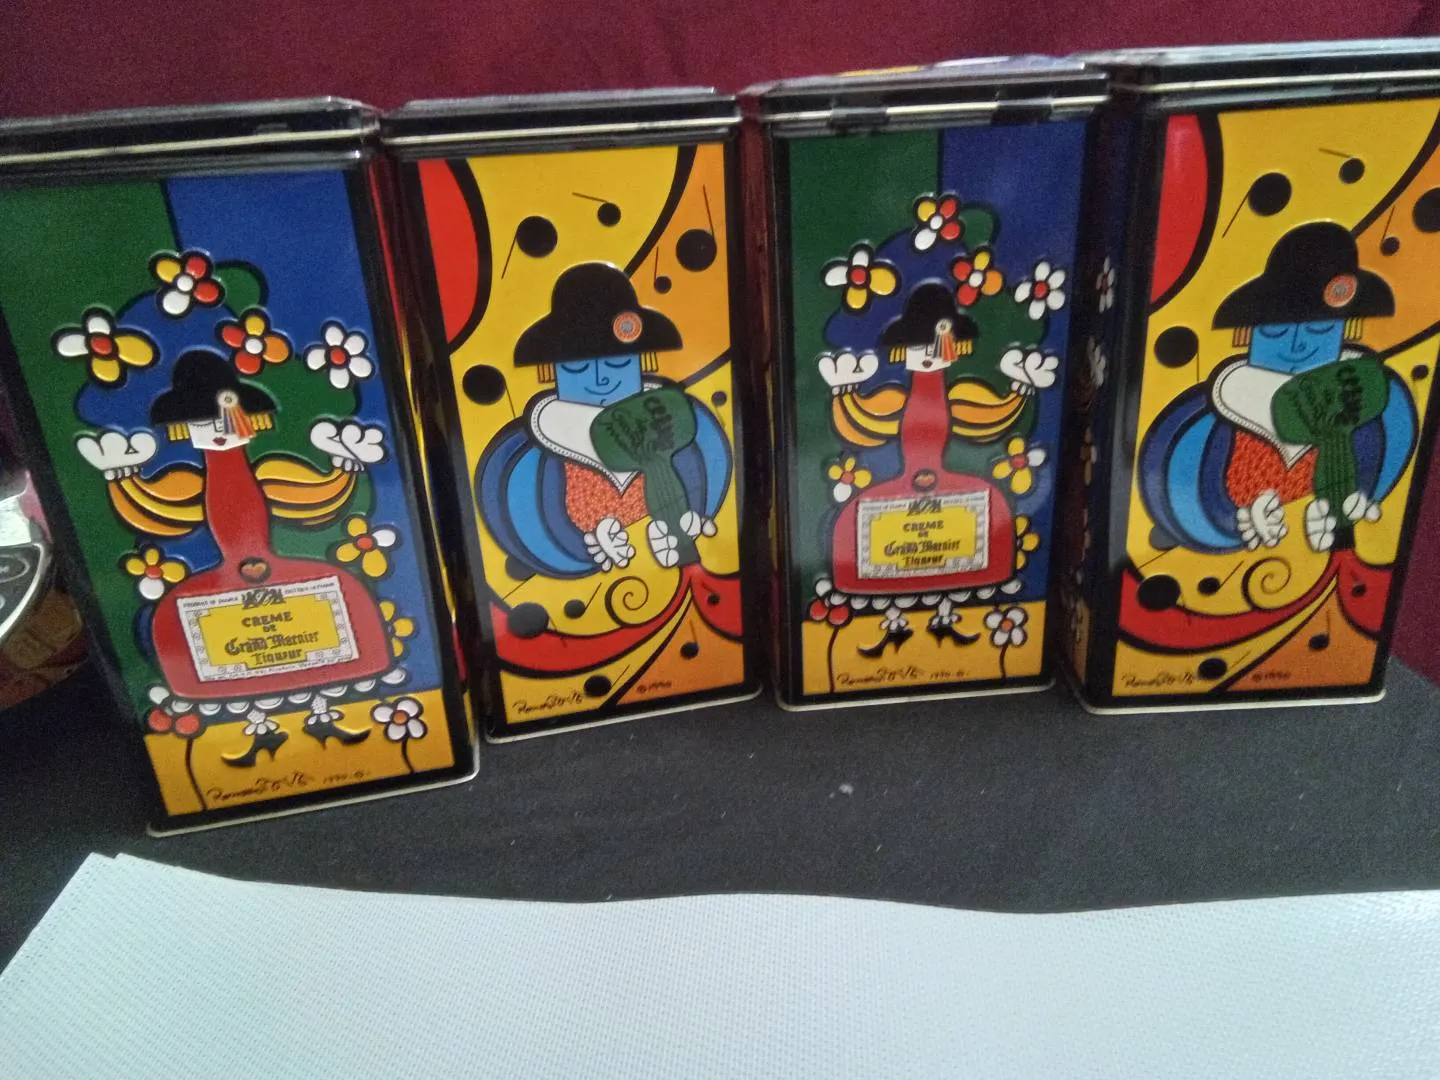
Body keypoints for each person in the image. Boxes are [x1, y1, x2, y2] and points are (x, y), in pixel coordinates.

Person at [1141, 222, 1417, 554]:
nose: (1298, 346)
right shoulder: (1209, 418)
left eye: (1319, 330)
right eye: (1275, 333)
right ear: (1247, 334)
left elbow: (1378, 462)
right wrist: (1237, 521)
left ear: (1346, 329)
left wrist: (1353, 502)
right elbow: (1184, 490)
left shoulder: (1371, 398)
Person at [478, 262, 731, 576]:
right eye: (577, 368)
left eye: (619, 365)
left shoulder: (681, 419)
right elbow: (530, 520)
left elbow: (703, 473)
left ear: (642, 361)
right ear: (551, 372)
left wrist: (691, 516)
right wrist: (588, 546)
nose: (600, 380)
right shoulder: (528, 456)